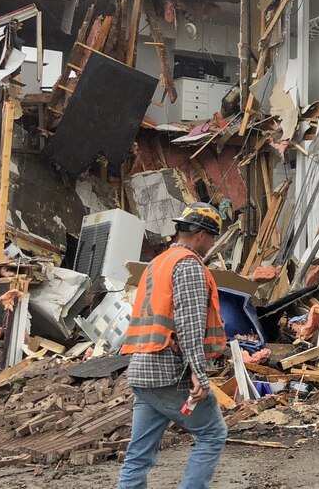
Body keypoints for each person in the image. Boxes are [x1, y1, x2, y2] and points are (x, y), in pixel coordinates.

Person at [117, 202, 229, 489]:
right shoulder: (189, 265)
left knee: (139, 454)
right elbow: (189, 325)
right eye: (213, 237)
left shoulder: (158, 263)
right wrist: (199, 374)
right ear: (202, 234)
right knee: (212, 433)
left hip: (142, 370)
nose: (212, 244)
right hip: (169, 371)